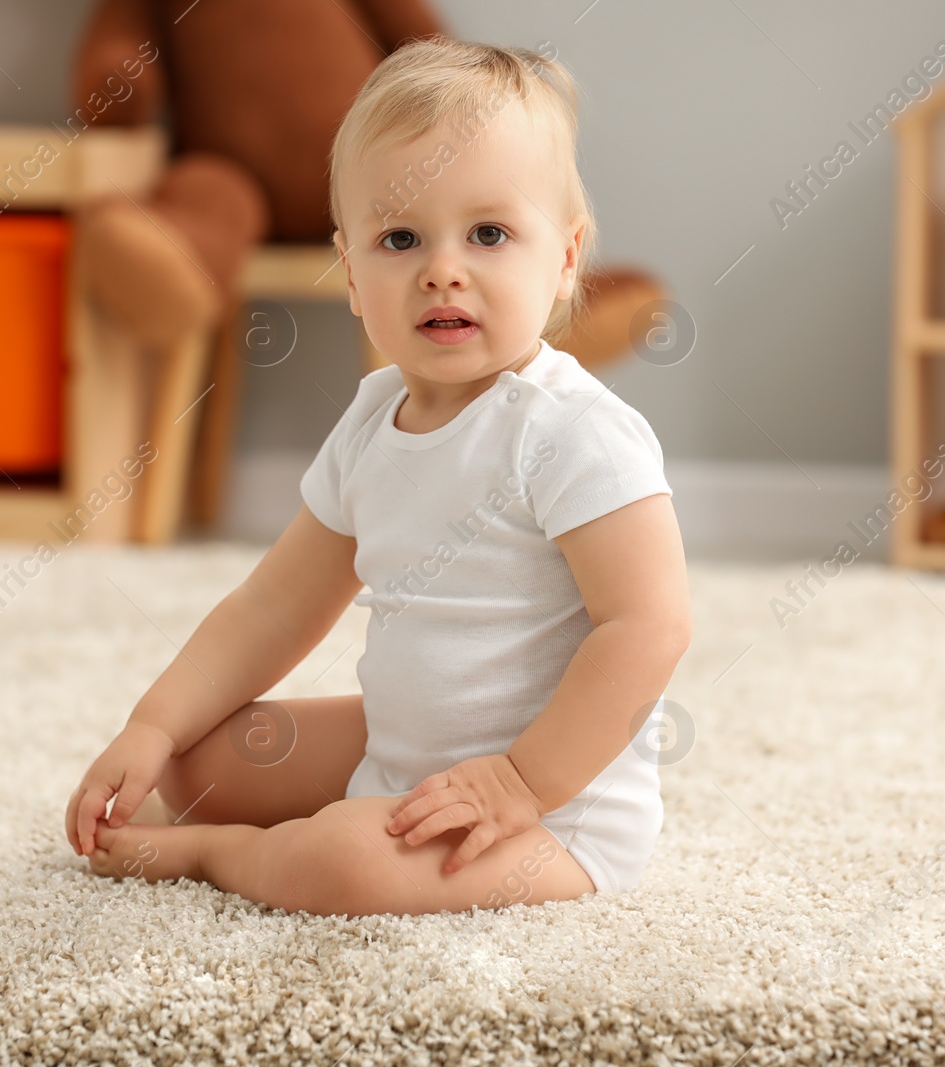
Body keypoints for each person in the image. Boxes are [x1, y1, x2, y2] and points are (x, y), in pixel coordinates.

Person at [64, 38, 691, 917]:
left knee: (338, 866)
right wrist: (152, 723)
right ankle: (247, 804)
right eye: (400, 237)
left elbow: (649, 625)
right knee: (195, 765)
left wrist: (519, 779)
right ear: (353, 273)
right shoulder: (372, 418)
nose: (443, 266)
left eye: (489, 233)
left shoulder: (571, 429)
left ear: (564, 259)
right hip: (400, 749)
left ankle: (225, 855)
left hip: (548, 815)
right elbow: (275, 605)